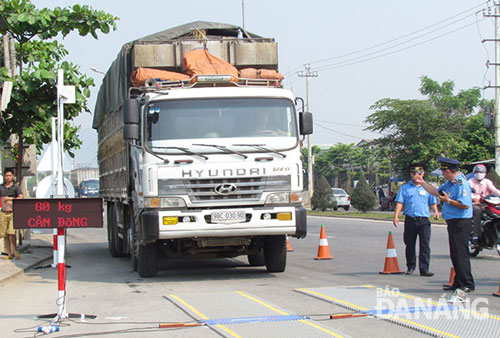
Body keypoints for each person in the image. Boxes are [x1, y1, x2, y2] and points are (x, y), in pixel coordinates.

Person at [415, 157, 475, 293]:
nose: (442, 173)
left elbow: (465, 205)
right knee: (455, 254)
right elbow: (436, 192)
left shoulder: (461, 184)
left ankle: (467, 283)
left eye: (442, 171)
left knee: (461, 254)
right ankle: (458, 281)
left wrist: (448, 201)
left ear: (448, 171)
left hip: (461, 222)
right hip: (453, 221)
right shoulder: (450, 183)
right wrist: (422, 182)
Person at [393, 164, 439, 276]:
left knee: (425, 245)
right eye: (414, 173)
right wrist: (396, 216)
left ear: (423, 174)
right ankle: (410, 266)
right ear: (411, 174)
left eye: (419, 173)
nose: (416, 175)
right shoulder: (405, 188)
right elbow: (400, 202)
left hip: (423, 220)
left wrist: (436, 211)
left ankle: (424, 269)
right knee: (409, 244)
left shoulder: (427, 187)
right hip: (410, 219)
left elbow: (432, 202)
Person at [468, 164, 500, 247]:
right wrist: (474, 198)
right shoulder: (470, 182)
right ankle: (475, 236)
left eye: (481, 172)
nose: (479, 173)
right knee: (478, 212)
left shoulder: (487, 182)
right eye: (477, 172)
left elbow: (494, 190)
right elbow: (468, 192)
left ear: (485, 173)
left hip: (487, 203)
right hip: (475, 204)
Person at [0, 168, 23, 260]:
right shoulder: (1, 187)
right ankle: (9, 253)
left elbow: (20, 197)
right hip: (3, 212)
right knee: (4, 234)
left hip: (12, 212)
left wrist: (9, 199)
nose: (8, 177)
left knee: (12, 233)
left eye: (10, 175)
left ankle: (14, 251)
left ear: (13, 176)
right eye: (6, 175)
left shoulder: (16, 187)